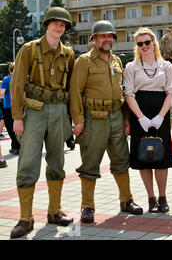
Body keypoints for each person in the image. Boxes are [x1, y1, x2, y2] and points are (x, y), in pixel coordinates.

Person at [10, 7, 75, 238]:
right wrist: (17, 117)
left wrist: (73, 117)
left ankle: (54, 211)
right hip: (34, 112)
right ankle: (25, 218)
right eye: (55, 23)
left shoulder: (68, 53)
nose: (59, 27)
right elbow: (16, 84)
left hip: (58, 111)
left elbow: (72, 89)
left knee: (57, 161)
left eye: (63, 25)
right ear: (47, 24)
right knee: (27, 164)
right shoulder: (29, 49)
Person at [69, 20, 143, 223]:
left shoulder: (116, 61)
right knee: (90, 162)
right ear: (94, 39)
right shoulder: (84, 61)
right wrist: (78, 120)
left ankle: (126, 200)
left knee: (121, 159)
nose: (107, 39)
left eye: (110, 36)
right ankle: (87, 206)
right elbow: (75, 92)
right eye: (102, 36)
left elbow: (123, 91)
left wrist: (126, 119)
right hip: (93, 118)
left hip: (117, 116)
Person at [123, 27, 172, 213]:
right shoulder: (131, 67)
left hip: (161, 112)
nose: (144, 46)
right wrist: (141, 118)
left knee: (161, 157)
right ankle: (151, 198)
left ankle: (162, 197)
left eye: (147, 42)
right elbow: (128, 94)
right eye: (140, 43)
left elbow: (171, 92)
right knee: (144, 158)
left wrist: (161, 116)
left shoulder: (167, 65)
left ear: (154, 42)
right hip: (140, 113)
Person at [0, 63, 20, 155]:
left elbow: (2, 94)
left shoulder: (6, 79)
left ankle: (17, 147)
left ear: (9, 70)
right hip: (20, 106)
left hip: (8, 106)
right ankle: (14, 146)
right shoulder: (20, 78)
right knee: (18, 126)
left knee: (10, 127)